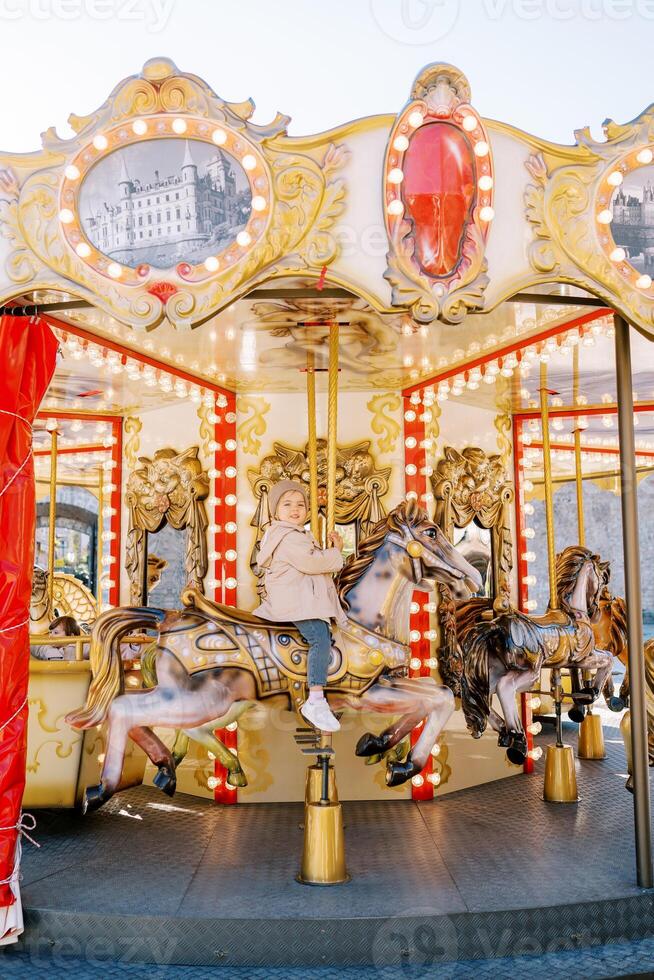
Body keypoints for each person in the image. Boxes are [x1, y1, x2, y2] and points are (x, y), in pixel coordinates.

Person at [254, 479, 347, 733]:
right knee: (319, 637)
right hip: (295, 601)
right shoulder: (288, 537)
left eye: (300, 504)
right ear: (275, 512)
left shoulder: (294, 534)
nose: (295, 509)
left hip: (297, 598)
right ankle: (315, 699)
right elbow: (312, 563)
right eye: (287, 504)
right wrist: (337, 551)